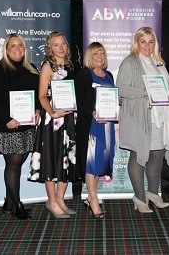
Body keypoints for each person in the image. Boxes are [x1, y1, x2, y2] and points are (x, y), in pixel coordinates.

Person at [116, 27, 169, 213]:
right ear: (137, 43)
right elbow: (121, 88)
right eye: (143, 42)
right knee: (138, 156)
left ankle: (153, 193)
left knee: (157, 155)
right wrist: (143, 92)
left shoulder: (158, 63)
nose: (147, 46)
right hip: (139, 117)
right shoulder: (130, 62)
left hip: (159, 116)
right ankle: (140, 198)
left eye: (151, 42)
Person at [0, 34, 40, 220]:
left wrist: (38, 110)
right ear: (6, 49)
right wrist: (7, 118)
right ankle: (16, 204)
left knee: (20, 161)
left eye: (20, 46)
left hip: (26, 124)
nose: (17, 49)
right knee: (14, 164)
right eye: (13, 46)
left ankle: (9, 202)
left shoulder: (31, 68)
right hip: (8, 125)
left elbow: (38, 93)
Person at [28, 31, 78, 218]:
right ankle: (51, 201)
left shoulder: (72, 66)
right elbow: (41, 95)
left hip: (69, 120)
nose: (61, 47)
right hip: (52, 121)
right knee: (50, 159)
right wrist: (52, 112)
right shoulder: (47, 66)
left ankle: (60, 199)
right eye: (56, 45)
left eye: (63, 43)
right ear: (50, 47)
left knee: (66, 158)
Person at [74, 42, 116, 219]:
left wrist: (116, 102)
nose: (100, 57)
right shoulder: (84, 74)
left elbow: (110, 98)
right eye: (96, 54)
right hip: (90, 125)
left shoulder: (109, 75)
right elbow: (76, 100)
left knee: (100, 163)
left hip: (106, 126)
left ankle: (91, 197)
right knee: (91, 162)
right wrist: (92, 111)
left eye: (102, 54)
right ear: (89, 57)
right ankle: (93, 200)